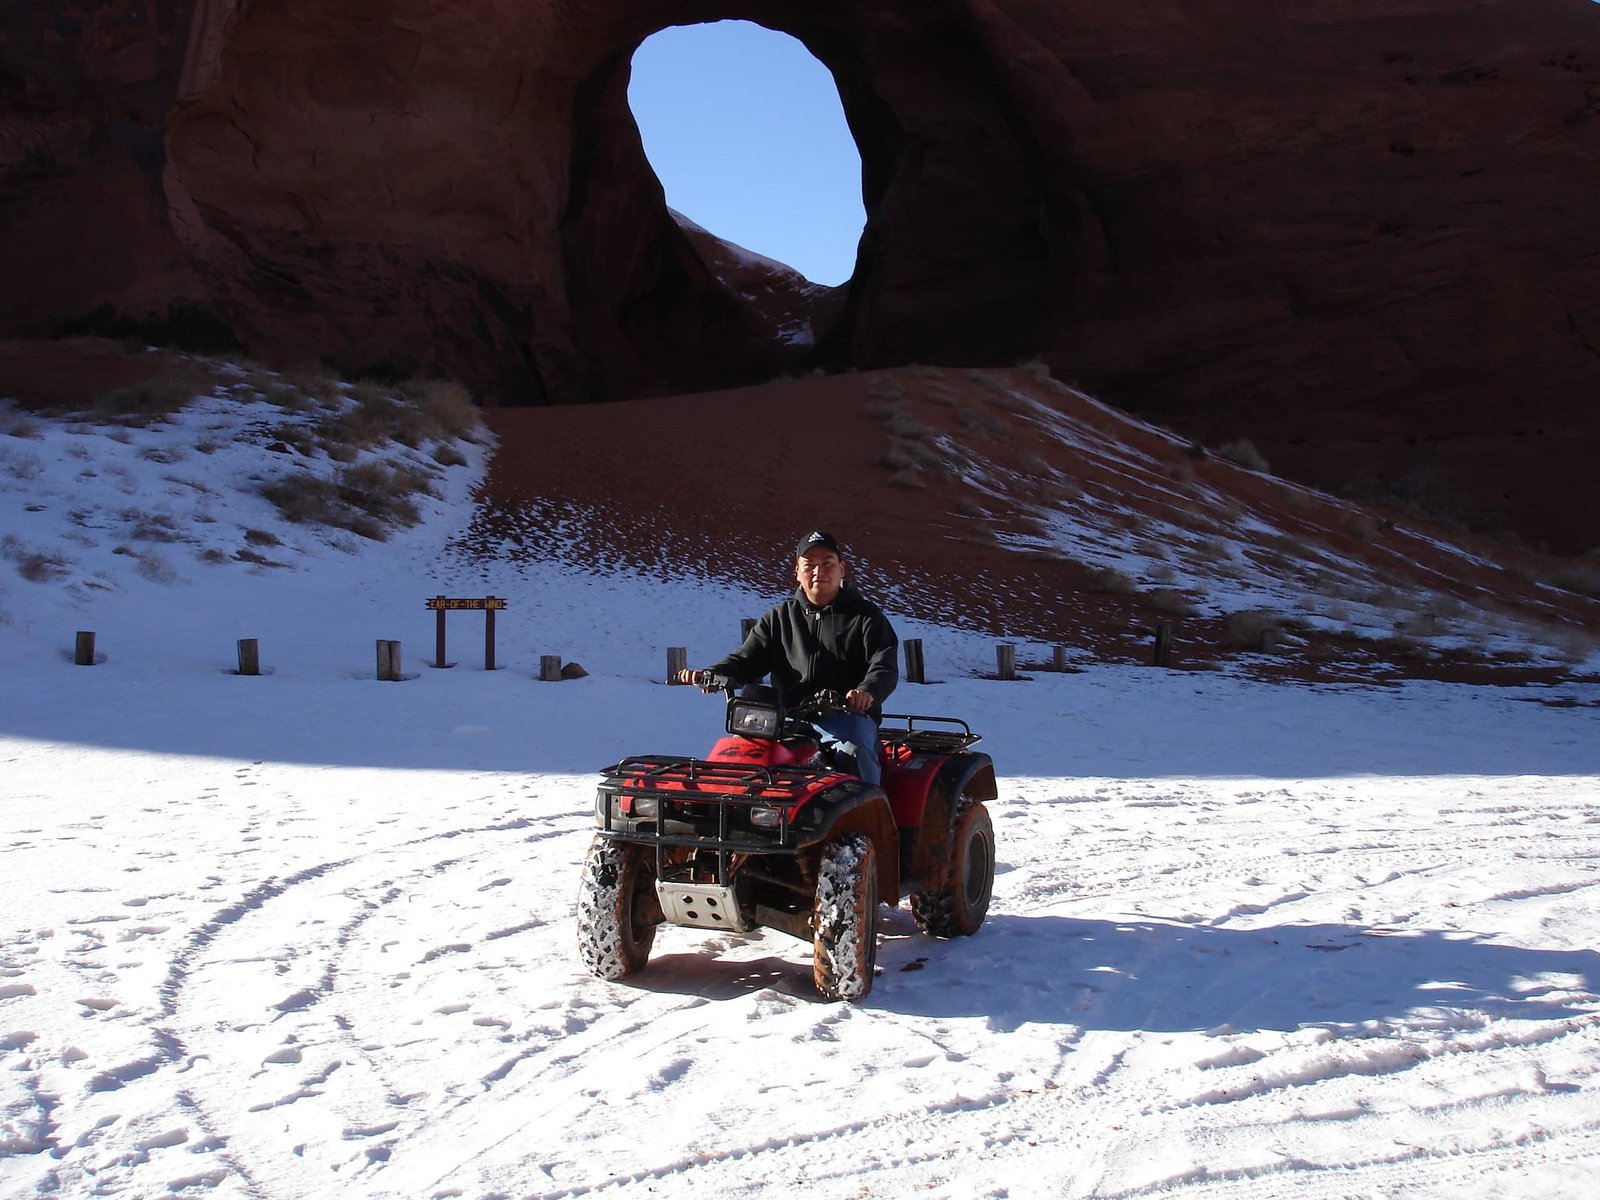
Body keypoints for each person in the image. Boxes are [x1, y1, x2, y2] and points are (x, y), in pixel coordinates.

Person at [677, 531, 899, 785]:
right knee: (737, 756)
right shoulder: (780, 618)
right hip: (784, 718)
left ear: (842, 569)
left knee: (853, 750)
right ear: (797, 571)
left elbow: (884, 667)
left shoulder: (867, 617)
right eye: (810, 565)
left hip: (844, 717)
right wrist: (712, 674)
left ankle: (867, 817)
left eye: (827, 563)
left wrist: (865, 692)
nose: (819, 571)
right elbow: (747, 659)